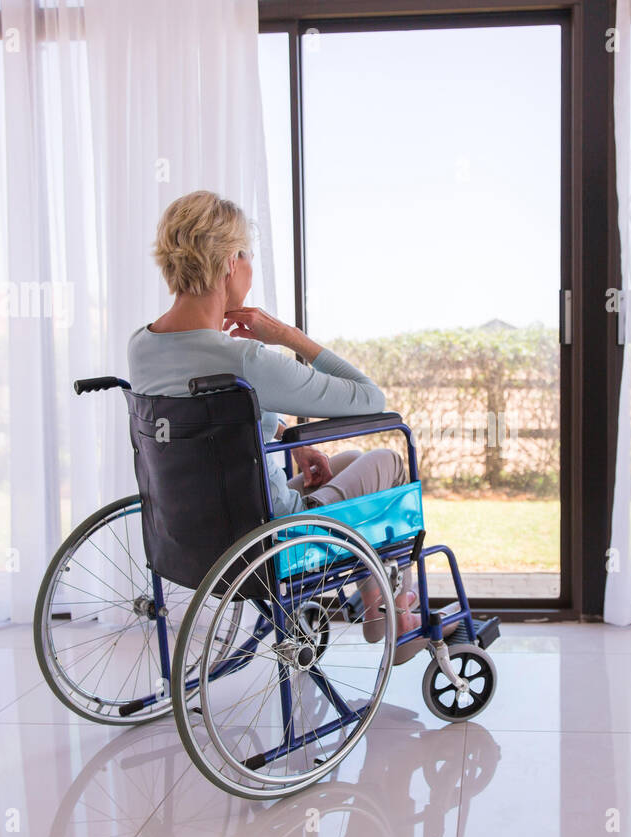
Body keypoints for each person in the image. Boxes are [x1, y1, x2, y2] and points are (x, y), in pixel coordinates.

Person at [127, 190, 436, 661]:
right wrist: (287, 336)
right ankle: (394, 610)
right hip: (273, 539)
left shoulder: (142, 346)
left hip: (190, 535)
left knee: (347, 461)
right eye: (248, 256)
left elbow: (202, 416)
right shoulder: (245, 358)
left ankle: (376, 600)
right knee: (389, 461)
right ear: (231, 262)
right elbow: (371, 398)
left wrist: (284, 438)